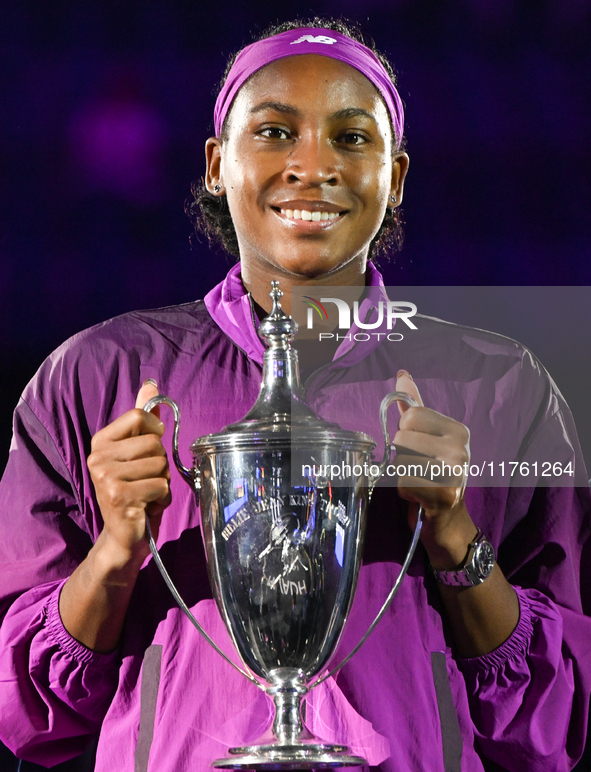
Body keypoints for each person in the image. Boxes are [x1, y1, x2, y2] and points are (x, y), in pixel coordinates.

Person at [0, 17, 590, 772]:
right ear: (217, 164)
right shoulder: (96, 376)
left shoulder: (501, 386)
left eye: (351, 138)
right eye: (275, 132)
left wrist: (450, 532)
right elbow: (29, 716)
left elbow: (553, 721)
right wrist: (114, 554)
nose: (312, 165)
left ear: (395, 175)